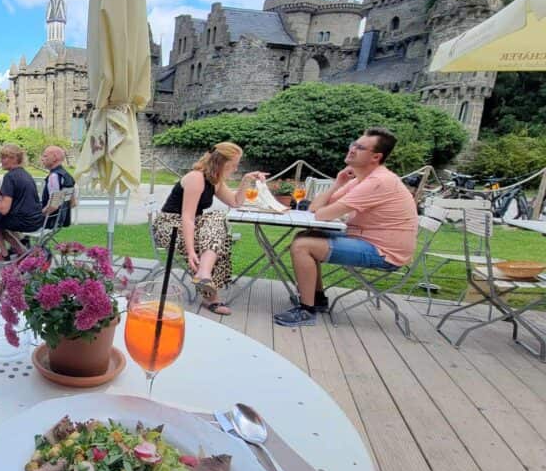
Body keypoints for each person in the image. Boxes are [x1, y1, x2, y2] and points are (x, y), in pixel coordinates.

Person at [273, 127, 418, 327]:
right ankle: (317, 299)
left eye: (360, 147)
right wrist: (338, 182)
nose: (352, 149)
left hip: (384, 252)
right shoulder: (361, 179)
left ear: (375, 157)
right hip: (364, 241)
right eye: (353, 144)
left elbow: (323, 213)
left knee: (303, 245)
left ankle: (307, 311)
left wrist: (324, 207)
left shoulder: (379, 182)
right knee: (307, 235)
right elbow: (315, 206)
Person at [152, 142, 266, 315]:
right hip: (170, 226)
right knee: (211, 240)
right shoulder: (196, 178)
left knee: (217, 220)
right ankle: (210, 297)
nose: (236, 169)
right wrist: (191, 251)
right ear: (221, 163)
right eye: (234, 165)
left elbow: (235, 202)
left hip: (191, 225)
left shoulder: (216, 181)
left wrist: (246, 181)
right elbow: (187, 217)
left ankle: (204, 274)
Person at [0, 143, 44, 262]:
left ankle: (8, 253)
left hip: (24, 222)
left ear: (15, 158)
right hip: (36, 219)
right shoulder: (25, 174)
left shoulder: (10, 177)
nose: (2, 161)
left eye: (5, 157)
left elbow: (4, 209)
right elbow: (17, 198)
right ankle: (20, 245)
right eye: (2, 157)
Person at [39, 144, 75, 228]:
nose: (42, 159)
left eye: (45, 156)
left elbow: (53, 205)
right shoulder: (67, 176)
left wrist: (39, 215)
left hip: (49, 222)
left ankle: (23, 241)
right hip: (61, 220)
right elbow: (73, 203)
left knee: (11, 223)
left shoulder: (54, 177)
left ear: (54, 158)